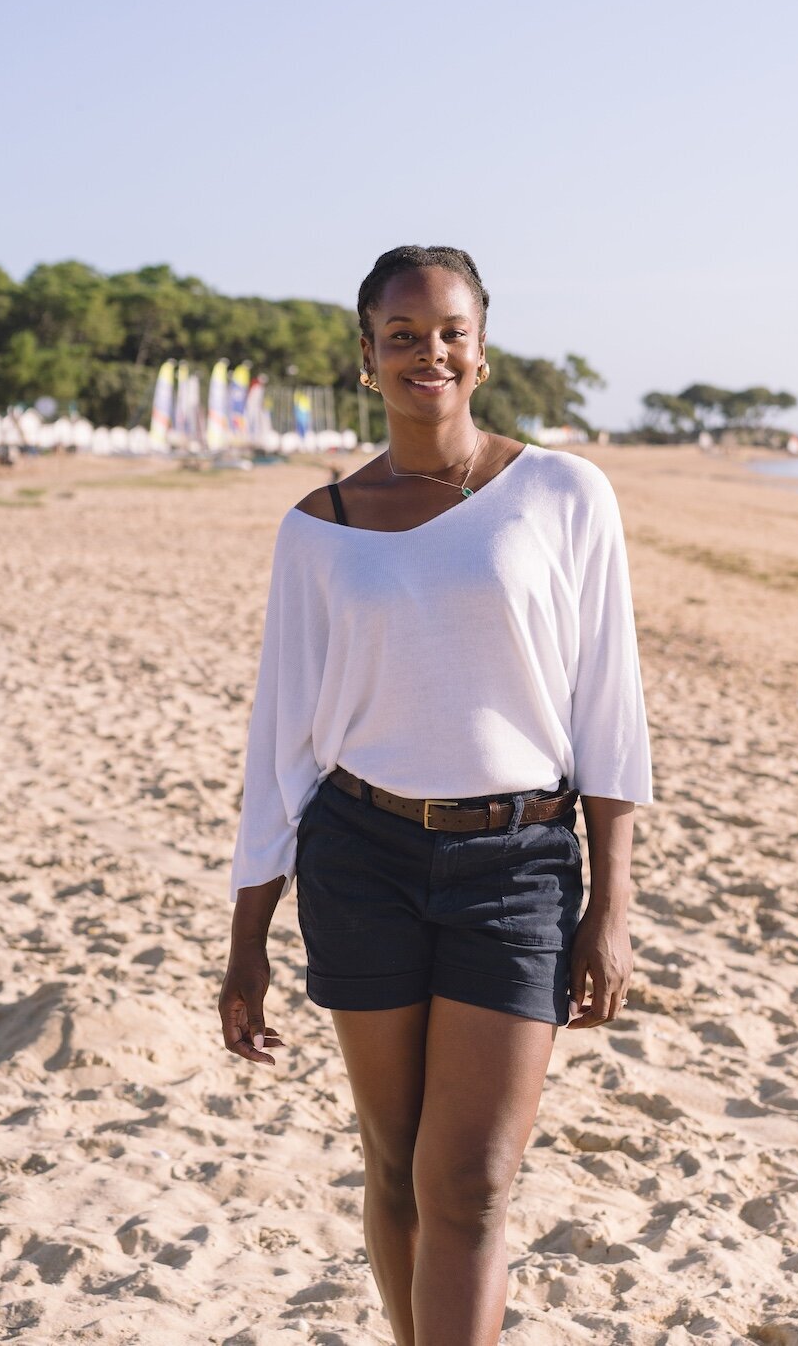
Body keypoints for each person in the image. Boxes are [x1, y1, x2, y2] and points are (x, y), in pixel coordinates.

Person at [219, 245, 652, 1346]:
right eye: (402, 335)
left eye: (450, 331)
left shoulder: (562, 493)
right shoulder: (319, 528)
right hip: (358, 857)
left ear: (483, 349)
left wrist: (612, 905)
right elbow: (283, 739)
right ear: (365, 358)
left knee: (467, 1183)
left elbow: (610, 708)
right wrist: (247, 937)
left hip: (519, 866)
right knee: (396, 1168)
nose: (429, 352)